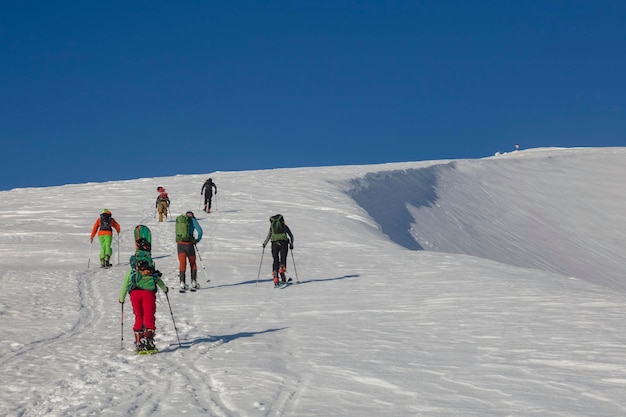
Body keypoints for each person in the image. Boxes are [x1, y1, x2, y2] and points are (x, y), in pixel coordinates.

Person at [119, 259, 168, 352]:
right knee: (149, 315)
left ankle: (138, 341)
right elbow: (158, 280)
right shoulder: (150, 270)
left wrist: (122, 298)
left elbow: (125, 284)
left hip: (135, 294)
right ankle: (148, 339)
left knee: (139, 315)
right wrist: (165, 289)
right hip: (148, 294)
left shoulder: (132, 271)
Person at [262, 214, 294, 286]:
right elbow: (291, 236)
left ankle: (276, 278)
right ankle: (282, 272)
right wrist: (291, 244)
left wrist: (264, 244)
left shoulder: (272, 227)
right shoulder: (284, 226)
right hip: (284, 244)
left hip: (274, 244)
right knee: (283, 259)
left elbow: (269, 236)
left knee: (275, 260)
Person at [175, 211, 203, 291]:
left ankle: (182, 283)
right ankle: (194, 282)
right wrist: (197, 240)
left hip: (180, 244)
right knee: (193, 263)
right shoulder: (193, 220)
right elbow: (200, 231)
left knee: (182, 263)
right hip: (189, 245)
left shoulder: (180, 220)